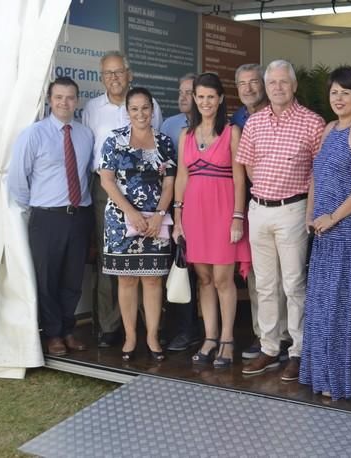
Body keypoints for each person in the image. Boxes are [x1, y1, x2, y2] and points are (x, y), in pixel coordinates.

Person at [237, 59, 325, 381]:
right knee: (265, 284)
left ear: (294, 85)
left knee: (294, 284)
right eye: (271, 82)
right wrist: (264, 194)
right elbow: (247, 165)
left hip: (293, 210)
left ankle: (298, 351)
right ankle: (270, 348)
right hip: (259, 209)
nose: (277, 87)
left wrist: (310, 211)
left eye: (283, 82)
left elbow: (319, 172)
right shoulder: (255, 122)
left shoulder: (312, 123)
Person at [299, 66, 351, 400]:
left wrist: (333, 216)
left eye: (346, 93)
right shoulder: (329, 128)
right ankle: (320, 375)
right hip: (324, 233)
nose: (339, 98)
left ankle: (341, 380)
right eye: (334, 92)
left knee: (343, 307)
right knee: (321, 306)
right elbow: (316, 176)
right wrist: (311, 213)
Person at [82, 50, 163, 348]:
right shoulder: (92, 109)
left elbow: (159, 151)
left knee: (146, 261)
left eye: (119, 72)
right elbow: (89, 153)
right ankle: (109, 325)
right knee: (110, 260)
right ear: (102, 77)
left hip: (148, 192)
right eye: (108, 73)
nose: (114, 78)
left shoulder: (150, 105)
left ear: (130, 74)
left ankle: (148, 325)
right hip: (107, 189)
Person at [8, 77, 94, 356]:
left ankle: (68, 329)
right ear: (49, 99)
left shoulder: (84, 134)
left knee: (73, 278)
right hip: (47, 218)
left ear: (76, 101)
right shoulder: (34, 134)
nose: (64, 103)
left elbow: (86, 176)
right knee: (47, 279)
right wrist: (39, 206)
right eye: (59, 97)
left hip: (79, 215)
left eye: (70, 97)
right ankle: (53, 334)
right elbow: (18, 181)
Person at [172, 73, 252, 368]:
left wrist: (237, 218)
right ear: (194, 99)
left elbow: (240, 180)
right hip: (194, 213)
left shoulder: (232, 132)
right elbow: (182, 176)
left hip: (223, 212)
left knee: (222, 279)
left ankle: (228, 340)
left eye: (211, 97)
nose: (205, 102)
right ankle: (210, 337)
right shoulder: (186, 135)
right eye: (200, 96)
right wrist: (178, 218)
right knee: (203, 278)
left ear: (220, 99)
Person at [99, 87, 175, 362]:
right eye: (135, 109)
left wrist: (158, 214)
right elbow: (106, 180)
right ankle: (130, 336)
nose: (141, 113)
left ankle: (152, 336)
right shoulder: (114, 141)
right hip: (122, 221)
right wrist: (130, 212)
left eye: (145, 108)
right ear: (127, 111)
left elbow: (169, 182)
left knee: (153, 281)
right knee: (127, 280)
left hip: (156, 221)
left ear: (152, 111)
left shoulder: (165, 142)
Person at [231, 63, 291, 361]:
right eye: (243, 84)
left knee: (287, 278)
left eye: (254, 82)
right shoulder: (237, 119)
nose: (249, 88)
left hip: (280, 205)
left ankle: (285, 336)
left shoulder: (282, 115)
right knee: (260, 278)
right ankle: (263, 334)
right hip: (250, 208)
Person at [160, 73, 202, 352]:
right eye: (181, 91)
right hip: (170, 206)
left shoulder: (211, 126)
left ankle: (190, 331)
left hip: (199, 205)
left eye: (190, 92)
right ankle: (175, 327)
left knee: (194, 270)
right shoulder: (169, 124)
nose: (183, 96)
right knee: (174, 267)